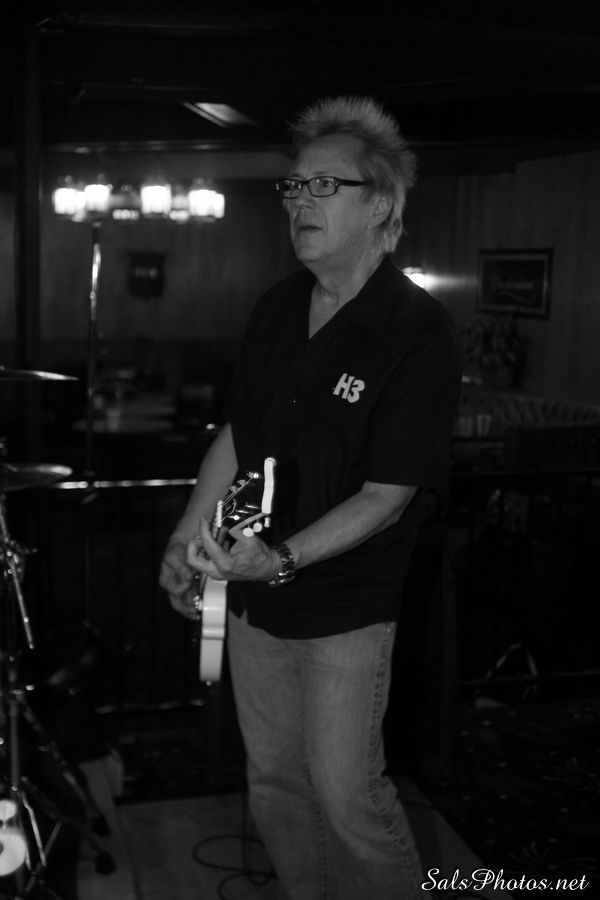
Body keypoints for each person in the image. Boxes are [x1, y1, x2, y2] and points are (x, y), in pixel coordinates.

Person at [159, 95, 462, 900]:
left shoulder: (417, 331)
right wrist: (185, 535)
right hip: (252, 598)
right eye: (294, 186)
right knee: (276, 786)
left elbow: (388, 495)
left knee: (349, 797)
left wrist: (281, 558)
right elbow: (239, 432)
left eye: (325, 186)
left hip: (346, 607)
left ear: (381, 205)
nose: (301, 201)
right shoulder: (276, 306)